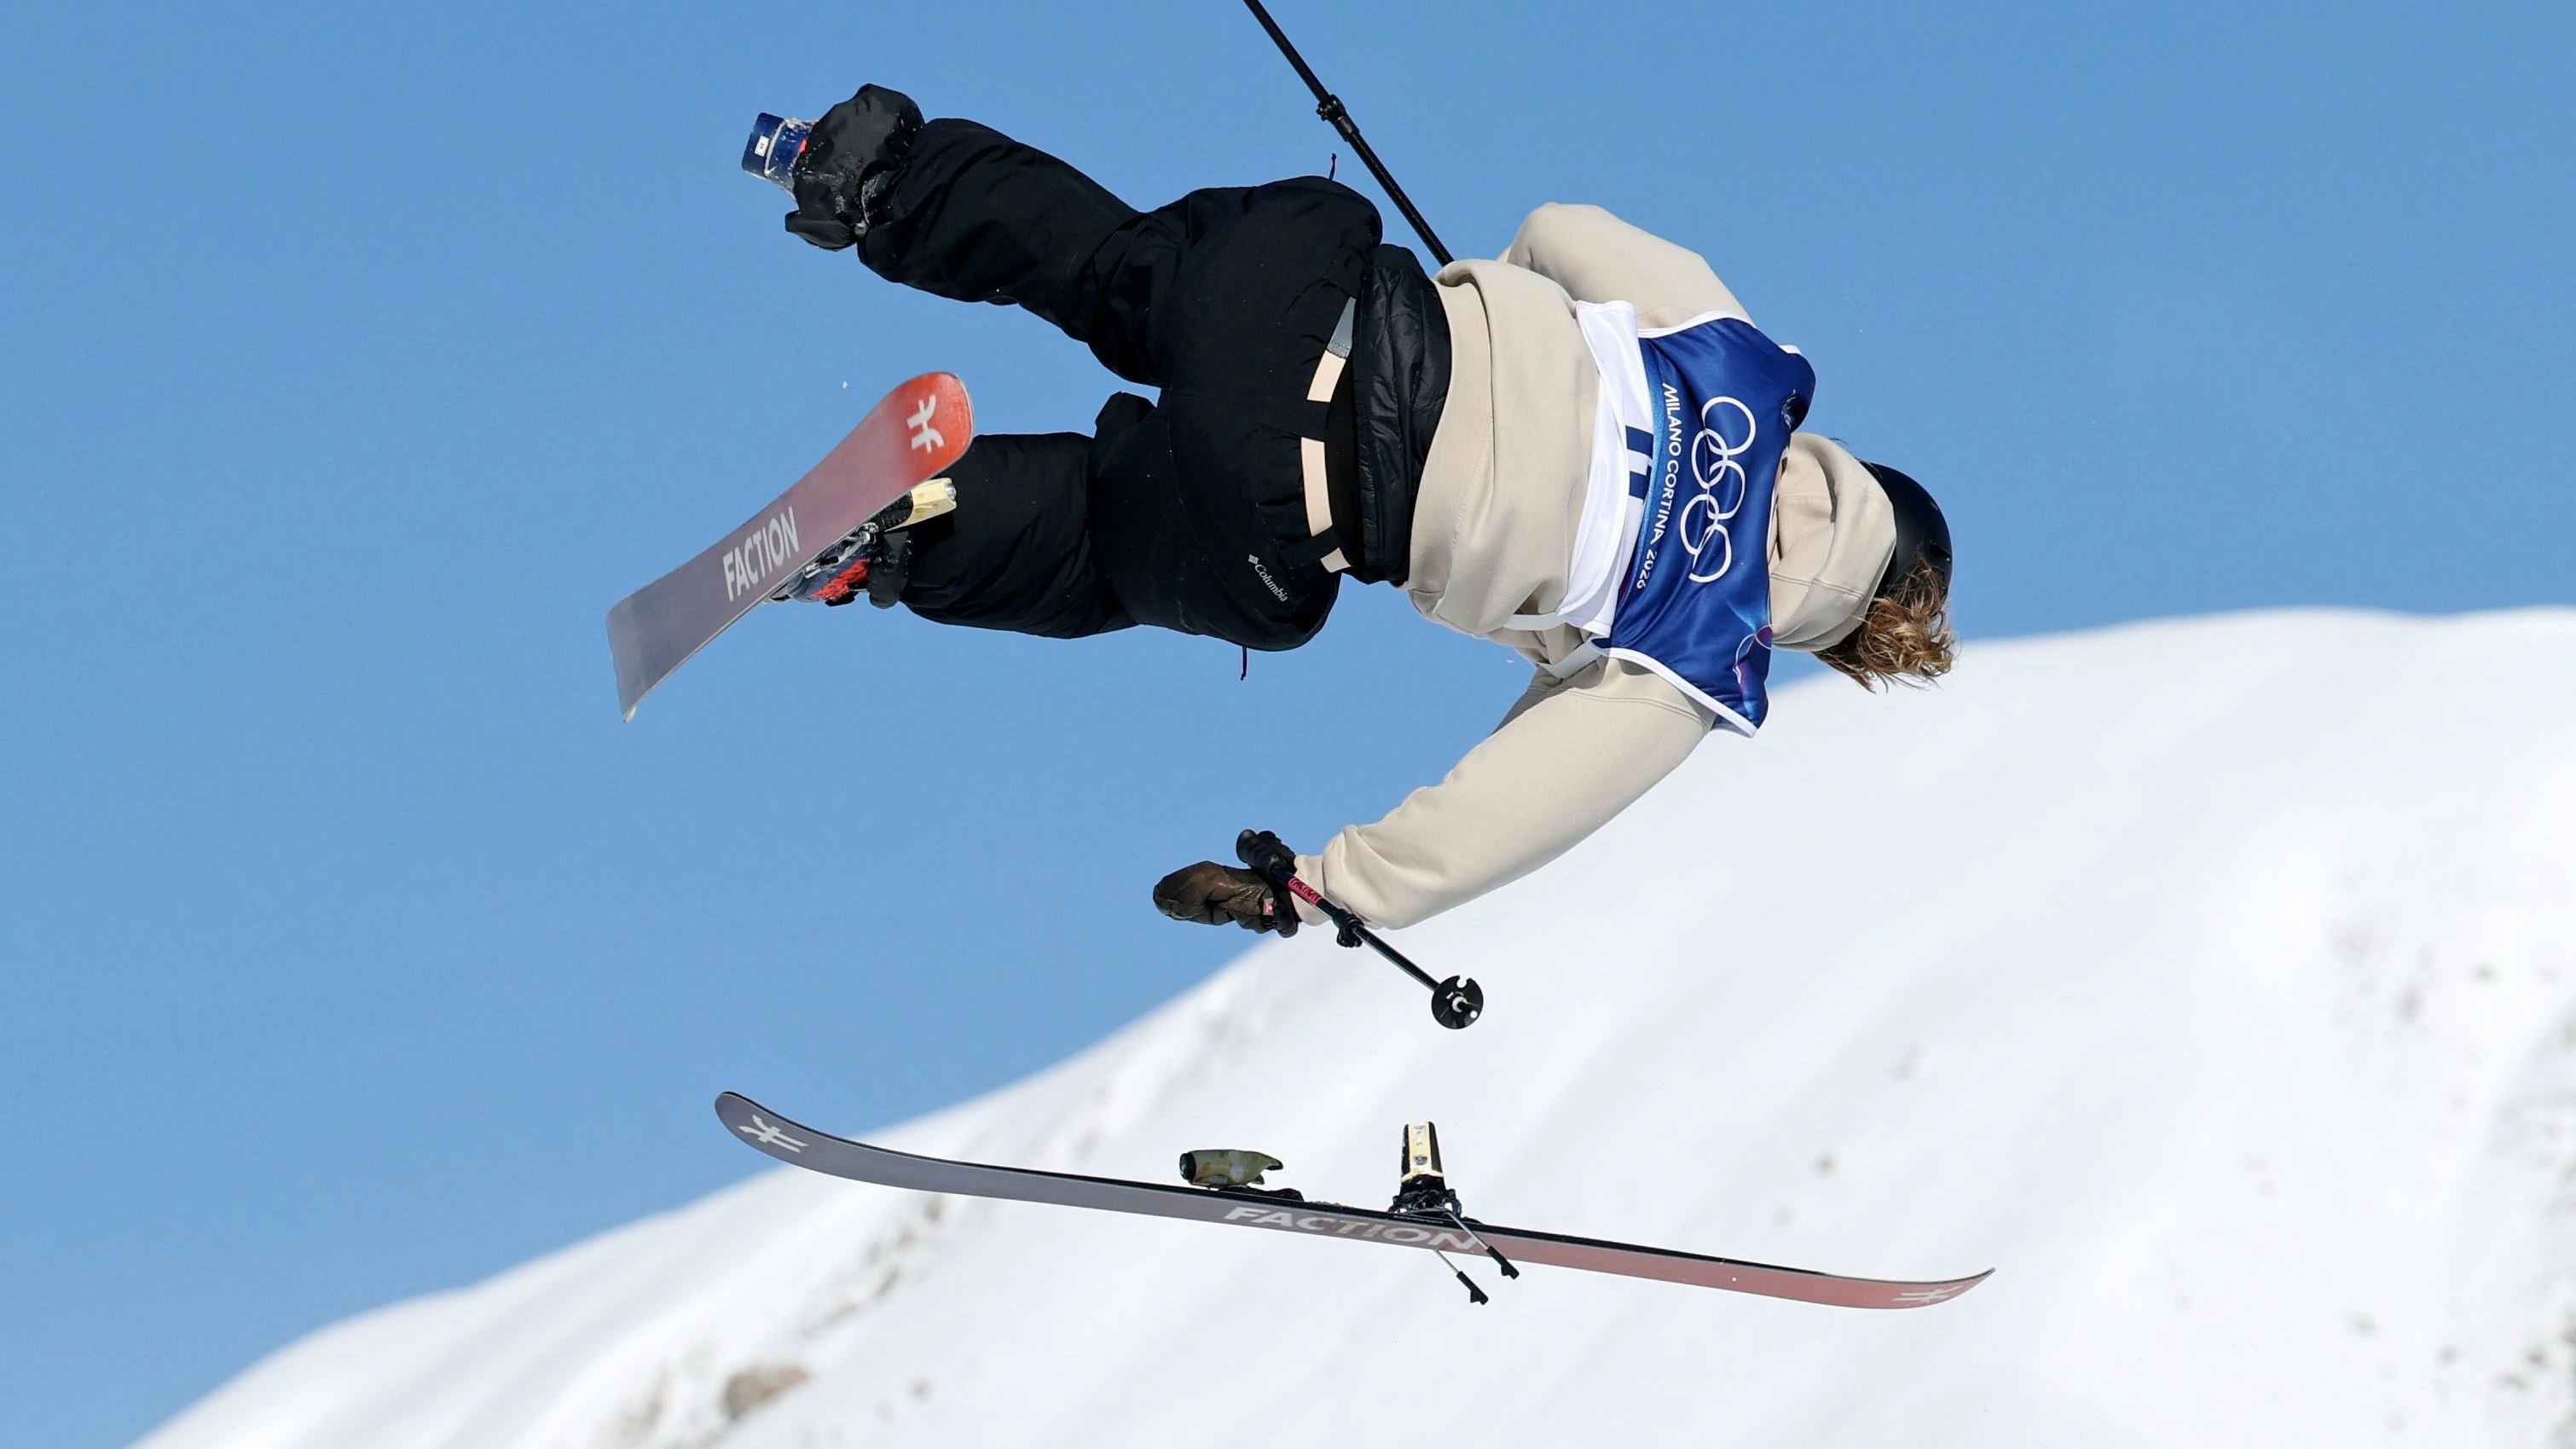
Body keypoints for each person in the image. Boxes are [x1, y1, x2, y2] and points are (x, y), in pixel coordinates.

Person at [780, 84, 1955, 936]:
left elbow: (1562, 230)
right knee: (1114, 541)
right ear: (1841, 634)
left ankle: (883, 176)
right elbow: (1517, 805)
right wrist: (1317, 887)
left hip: (1306, 281)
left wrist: (1501, 331)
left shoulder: (1742, 364)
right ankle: (913, 527)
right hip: (1282, 488)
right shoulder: (1702, 651)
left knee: (1119, 270)